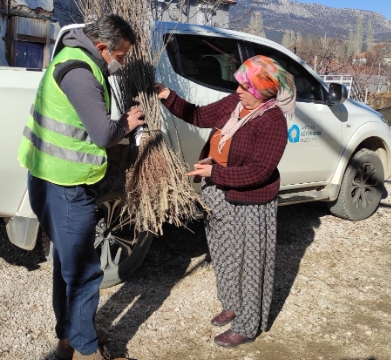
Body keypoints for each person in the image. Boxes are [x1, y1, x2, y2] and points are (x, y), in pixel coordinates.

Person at [17, 15, 144, 360]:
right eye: (121, 55)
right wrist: (127, 124)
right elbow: (103, 135)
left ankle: (70, 338)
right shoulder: (81, 73)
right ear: (102, 47)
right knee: (85, 272)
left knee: (68, 265)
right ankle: (86, 349)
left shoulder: (67, 54)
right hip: (66, 185)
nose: (122, 63)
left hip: (49, 176)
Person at [154, 55, 295, 347]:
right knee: (223, 253)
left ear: (262, 91)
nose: (237, 91)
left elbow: (260, 171)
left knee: (249, 262)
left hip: (250, 201)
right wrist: (167, 96)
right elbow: (199, 116)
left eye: (245, 86)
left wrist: (215, 171)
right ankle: (232, 303)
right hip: (217, 192)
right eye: (239, 85)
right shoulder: (236, 105)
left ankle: (247, 324)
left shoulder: (272, 121)